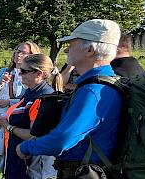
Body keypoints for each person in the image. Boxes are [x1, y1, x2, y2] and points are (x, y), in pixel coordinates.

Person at [16, 19, 124, 179]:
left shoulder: (93, 91)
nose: (66, 50)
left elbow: (62, 139)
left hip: (83, 172)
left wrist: (26, 148)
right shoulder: (102, 83)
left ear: (90, 50)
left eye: (72, 44)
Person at [0, 54, 64, 179]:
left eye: (24, 71)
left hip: (28, 164)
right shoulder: (31, 91)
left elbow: (33, 135)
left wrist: (7, 126)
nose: (19, 75)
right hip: (18, 157)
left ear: (38, 74)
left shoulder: (42, 98)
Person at [0, 41, 39, 179]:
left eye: (23, 52)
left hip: (13, 119)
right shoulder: (4, 71)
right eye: (17, 50)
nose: (18, 54)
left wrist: (8, 102)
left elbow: (28, 99)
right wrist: (0, 82)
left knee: (8, 155)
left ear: (32, 56)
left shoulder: (30, 75)